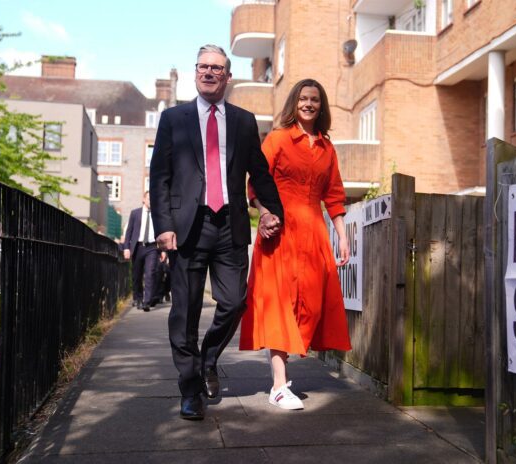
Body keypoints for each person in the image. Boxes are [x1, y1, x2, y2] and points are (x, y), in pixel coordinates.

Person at [150, 45, 283, 421]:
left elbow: (259, 171)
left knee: (235, 301)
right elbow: (160, 176)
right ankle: (190, 389)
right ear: (196, 73)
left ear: (228, 76)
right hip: (187, 228)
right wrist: (164, 225)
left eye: (217, 68)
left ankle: (208, 357)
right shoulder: (173, 119)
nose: (209, 73)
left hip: (230, 225)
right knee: (185, 311)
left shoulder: (243, 121)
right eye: (203, 67)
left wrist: (273, 211)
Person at [239, 78, 352, 410]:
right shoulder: (278, 138)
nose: (308, 104)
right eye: (303, 98)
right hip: (280, 232)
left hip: (314, 233)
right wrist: (264, 214)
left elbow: (334, 196)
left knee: (310, 305)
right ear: (294, 102)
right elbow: (255, 183)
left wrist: (343, 236)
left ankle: (283, 371)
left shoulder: (328, 148)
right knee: (280, 303)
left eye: (314, 99)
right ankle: (278, 384)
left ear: (321, 106)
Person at [123, 191, 163, 311]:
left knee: (150, 273)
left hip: (152, 247)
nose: (151, 201)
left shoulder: (157, 214)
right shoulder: (135, 213)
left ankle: (147, 301)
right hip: (138, 247)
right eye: (149, 198)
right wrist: (126, 248)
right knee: (137, 275)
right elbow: (129, 232)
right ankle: (138, 298)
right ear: (144, 199)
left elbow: (161, 232)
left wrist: (163, 250)